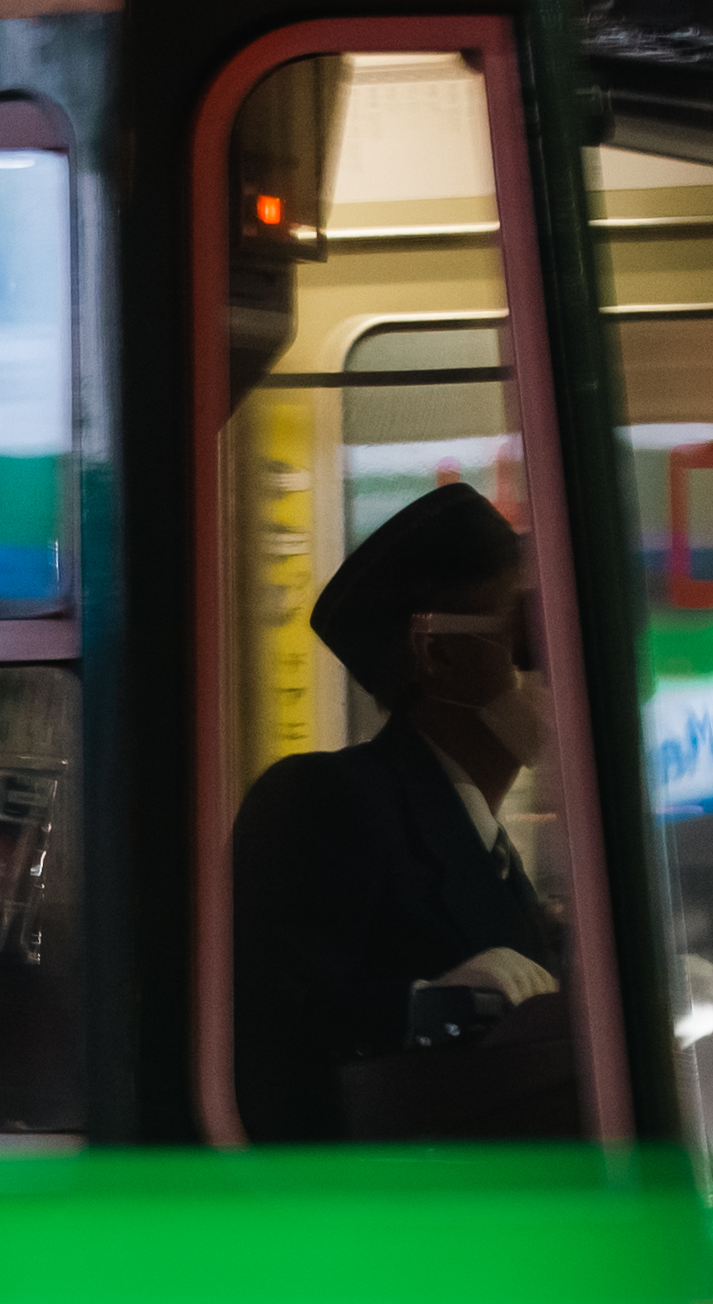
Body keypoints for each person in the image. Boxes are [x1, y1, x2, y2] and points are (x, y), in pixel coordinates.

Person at [230, 480, 565, 1141]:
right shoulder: (324, 802)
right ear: (437, 654)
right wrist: (426, 1009)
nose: (558, 665)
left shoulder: (494, 858)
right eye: (530, 635)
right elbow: (271, 1040)